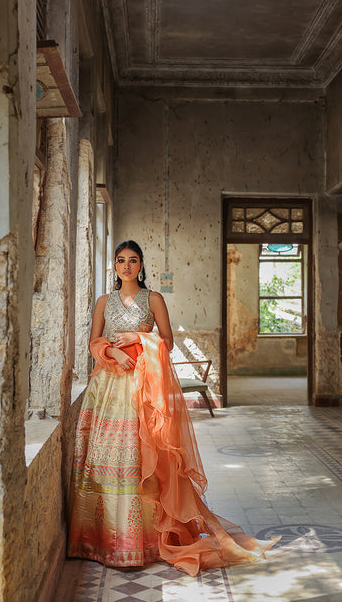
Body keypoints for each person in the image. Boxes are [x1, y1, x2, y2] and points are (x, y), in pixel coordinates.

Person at [68, 240, 280, 576]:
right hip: (109, 386)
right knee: (111, 459)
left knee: (145, 457)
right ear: (114, 266)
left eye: (132, 260)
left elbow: (166, 341)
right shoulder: (103, 302)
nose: (126, 266)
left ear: (141, 265)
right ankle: (104, 539)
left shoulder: (153, 299)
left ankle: (148, 539)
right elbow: (94, 341)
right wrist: (112, 352)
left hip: (144, 385)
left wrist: (138, 340)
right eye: (120, 261)